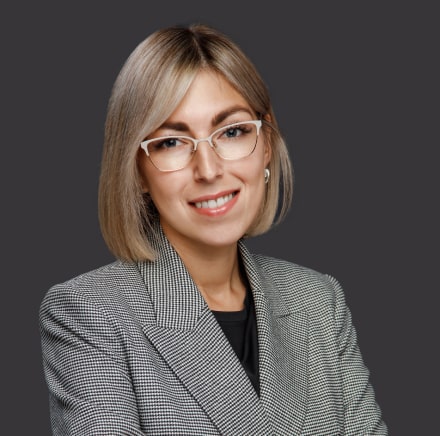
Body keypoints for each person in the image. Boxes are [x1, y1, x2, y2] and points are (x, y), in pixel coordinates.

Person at [39, 23, 388, 435]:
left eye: (233, 132)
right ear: (137, 171)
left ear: (267, 144)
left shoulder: (318, 300)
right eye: (171, 142)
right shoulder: (90, 313)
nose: (208, 170)